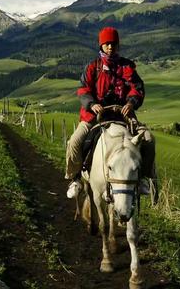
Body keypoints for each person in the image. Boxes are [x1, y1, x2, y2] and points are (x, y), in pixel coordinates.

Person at [65, 26, 156, 198]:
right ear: (101, 46)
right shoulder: (93, 67)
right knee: (74, 142)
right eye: (106, 44)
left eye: (113, 44)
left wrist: (131, 102)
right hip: (95, 116)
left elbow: (137, 88)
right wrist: (92, 104)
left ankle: (143, 177)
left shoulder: (127, 67)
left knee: (149, 140)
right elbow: (83, 89)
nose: (110, 47)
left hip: (122, 115)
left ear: (118, 45)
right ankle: (75, 177)